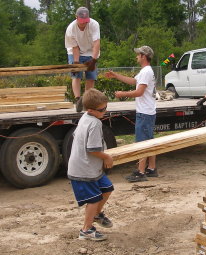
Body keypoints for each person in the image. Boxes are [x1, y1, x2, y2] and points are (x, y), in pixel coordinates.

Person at [105, 46, 157, 182]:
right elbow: (133, 81)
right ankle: (151, 168)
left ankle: (141, 172)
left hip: (145, 113)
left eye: (138, 55)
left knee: (142, 143)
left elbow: (139, 92)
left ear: (143, 56)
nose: (136, 57)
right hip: (148, 112)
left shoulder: (146, 71)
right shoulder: (145, 71)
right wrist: (116, 76)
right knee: (150, 141)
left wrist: (123, 94)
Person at [68, 88, 114, 241]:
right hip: (83, 170)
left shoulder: (85, 117)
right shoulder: (94, 123)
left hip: (92, 168)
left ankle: (96, 215)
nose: (105, 112)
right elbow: (92, 149)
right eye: (102, 110)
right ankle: (86, 230)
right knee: (94, 199)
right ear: (90, 110)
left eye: (106, 108)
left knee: (107, 188)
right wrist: (107, 157)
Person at [65, 7, 101, 112]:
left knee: (91, 77)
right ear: (76, 17)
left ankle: (87, 100)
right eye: (81, 21)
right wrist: (76, 63)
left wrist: (93, 60)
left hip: (91, 51)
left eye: (85, 21)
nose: (84, 24)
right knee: (76, 75)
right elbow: (74, 47)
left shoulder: (94, 25)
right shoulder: (71, 29)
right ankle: (78, 100)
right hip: (74, 52)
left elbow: (96, 43)